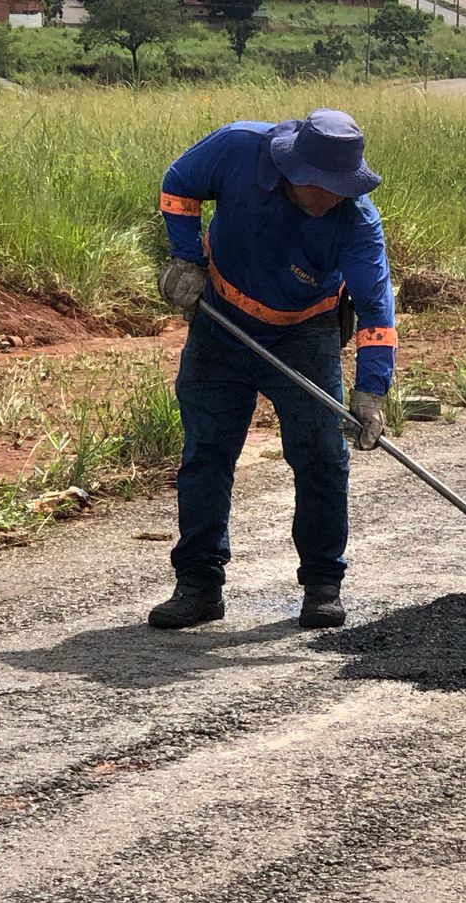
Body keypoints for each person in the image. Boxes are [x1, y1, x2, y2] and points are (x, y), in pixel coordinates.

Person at [148, 109, 397, 630]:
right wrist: (185, 259)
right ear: (292, 167)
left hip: (305, 335)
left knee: (321, 457)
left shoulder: (356, 222)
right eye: (322, 185)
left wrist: (370, 392)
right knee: (207, 454)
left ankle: (323, 584)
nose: (331, 197)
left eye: (342, 187)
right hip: (220, 325)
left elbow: (376, 313)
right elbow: (178, 185)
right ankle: (198, 584)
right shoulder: (237, 148)